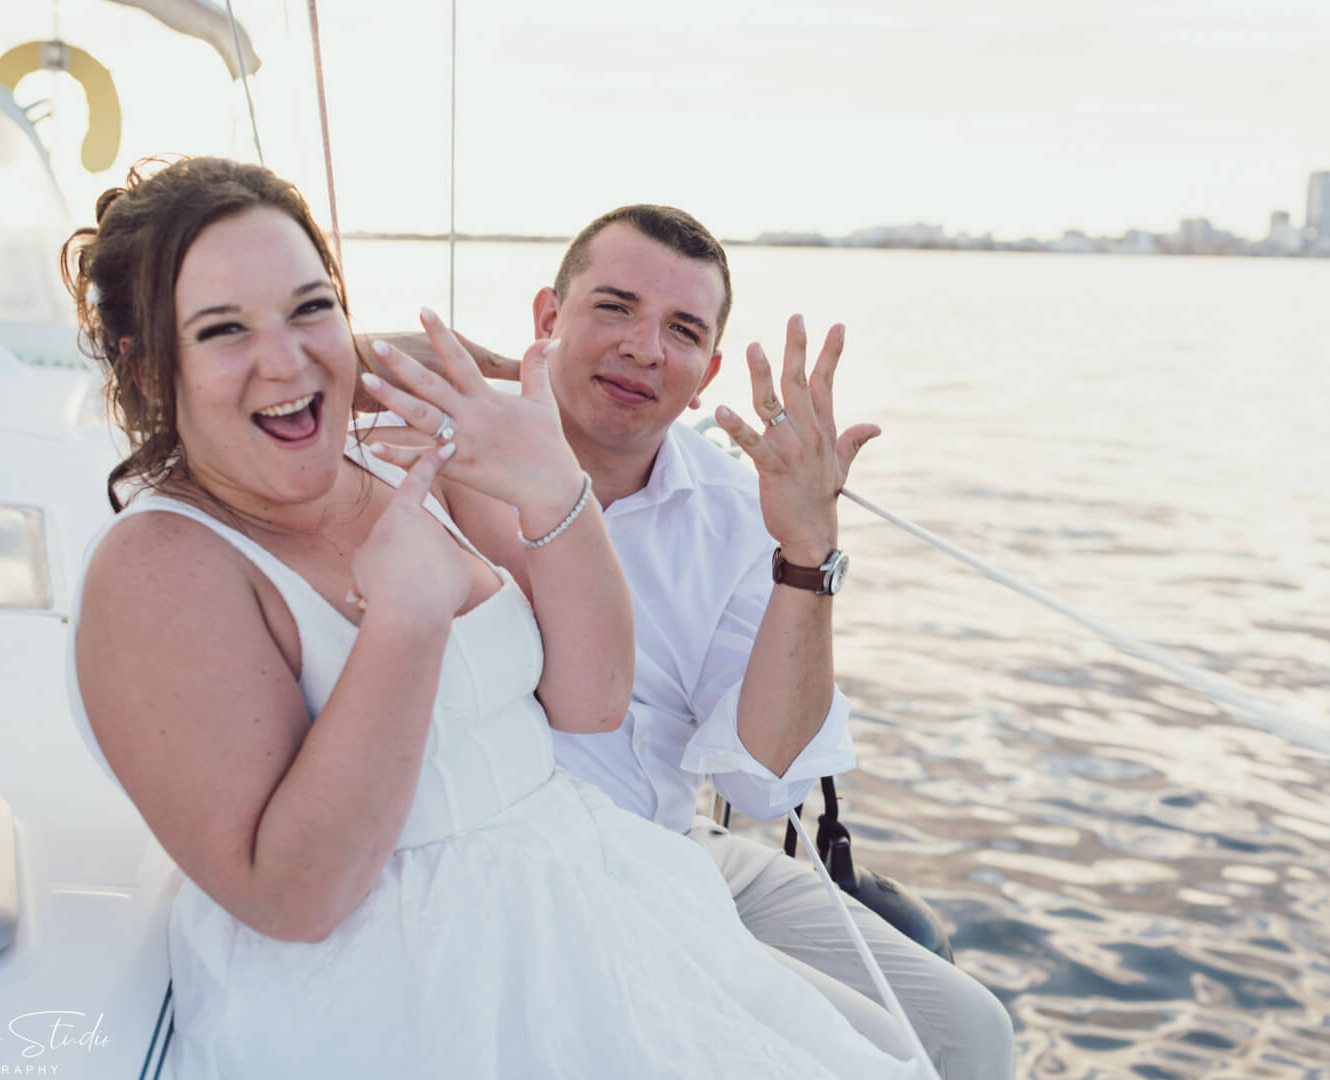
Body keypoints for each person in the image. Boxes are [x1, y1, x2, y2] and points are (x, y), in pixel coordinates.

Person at [62, 156, 919, 1079]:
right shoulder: (161, 567)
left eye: (312, 309)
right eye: (223, 328)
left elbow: (591, 700)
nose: (285, 357)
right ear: (149, 366)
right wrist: (405, 624)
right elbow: (294, 899)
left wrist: (557, 489)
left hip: (588, 900)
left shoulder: (398, 460)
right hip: (409, 987)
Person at [367, 205, 1015, 1079]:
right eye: (614, 308)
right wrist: (442, 368)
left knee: (970, 1032)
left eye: (682, 330)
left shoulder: (737, 511)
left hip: (678, 846)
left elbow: (760, 781)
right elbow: (290, 379)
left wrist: (806, 550)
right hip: (525, 864)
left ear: (707, 374)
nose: (645, 349)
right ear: (547, 318)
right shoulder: (446, 450)